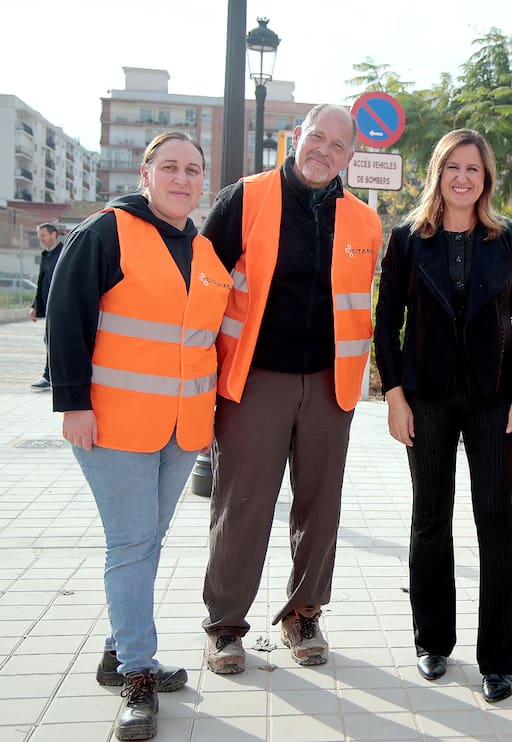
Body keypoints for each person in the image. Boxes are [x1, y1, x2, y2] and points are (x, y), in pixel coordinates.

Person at [46, 132, 230, 741]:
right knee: (130, 545)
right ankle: (137, 674)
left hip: (182, 428)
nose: (182, 178)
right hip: (115, 423)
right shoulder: (106, 232)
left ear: (202, 182)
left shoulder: (203, 252)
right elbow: (66, 318)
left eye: (193, 170)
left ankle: (117, 650)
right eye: (169, 167)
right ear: (145, 173)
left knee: (146, 543)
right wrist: (73, 404)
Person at [201, 103, 382, 674]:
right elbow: (203, 288)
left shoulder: (364, 221)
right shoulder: (246, 198)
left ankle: (304, 614)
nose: (324, 151)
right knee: (243, 504)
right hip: (254, 379)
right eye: (317, 137)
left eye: (338, 145)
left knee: (320, 507)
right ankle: (225, 625)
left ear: (350, 157)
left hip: (330, 385)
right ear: (297, 136)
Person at [374, 128, 512, 703]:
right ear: (438, 173)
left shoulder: (509, 238)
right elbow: (386, 322)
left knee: (496, 519)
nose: (463, 178)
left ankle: (499, 659)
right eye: (453, 167)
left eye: (474, 168)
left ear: (486, 178)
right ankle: (433, 641)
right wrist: (394, 396)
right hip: (425, 398)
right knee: (430, 518)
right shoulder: (407, 239)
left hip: (495, 399)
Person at [29, 222, 63, 390]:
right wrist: (35, 305)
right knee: (50, 339)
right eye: (39, 236)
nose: (40, 239)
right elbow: (41, 281)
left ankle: (50, 376)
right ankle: (51, 376)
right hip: (49, 305)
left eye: (43, 235)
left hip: (62, 305)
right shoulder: (46, 255)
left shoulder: (65, 252)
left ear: (54, 234)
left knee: (53, 339)